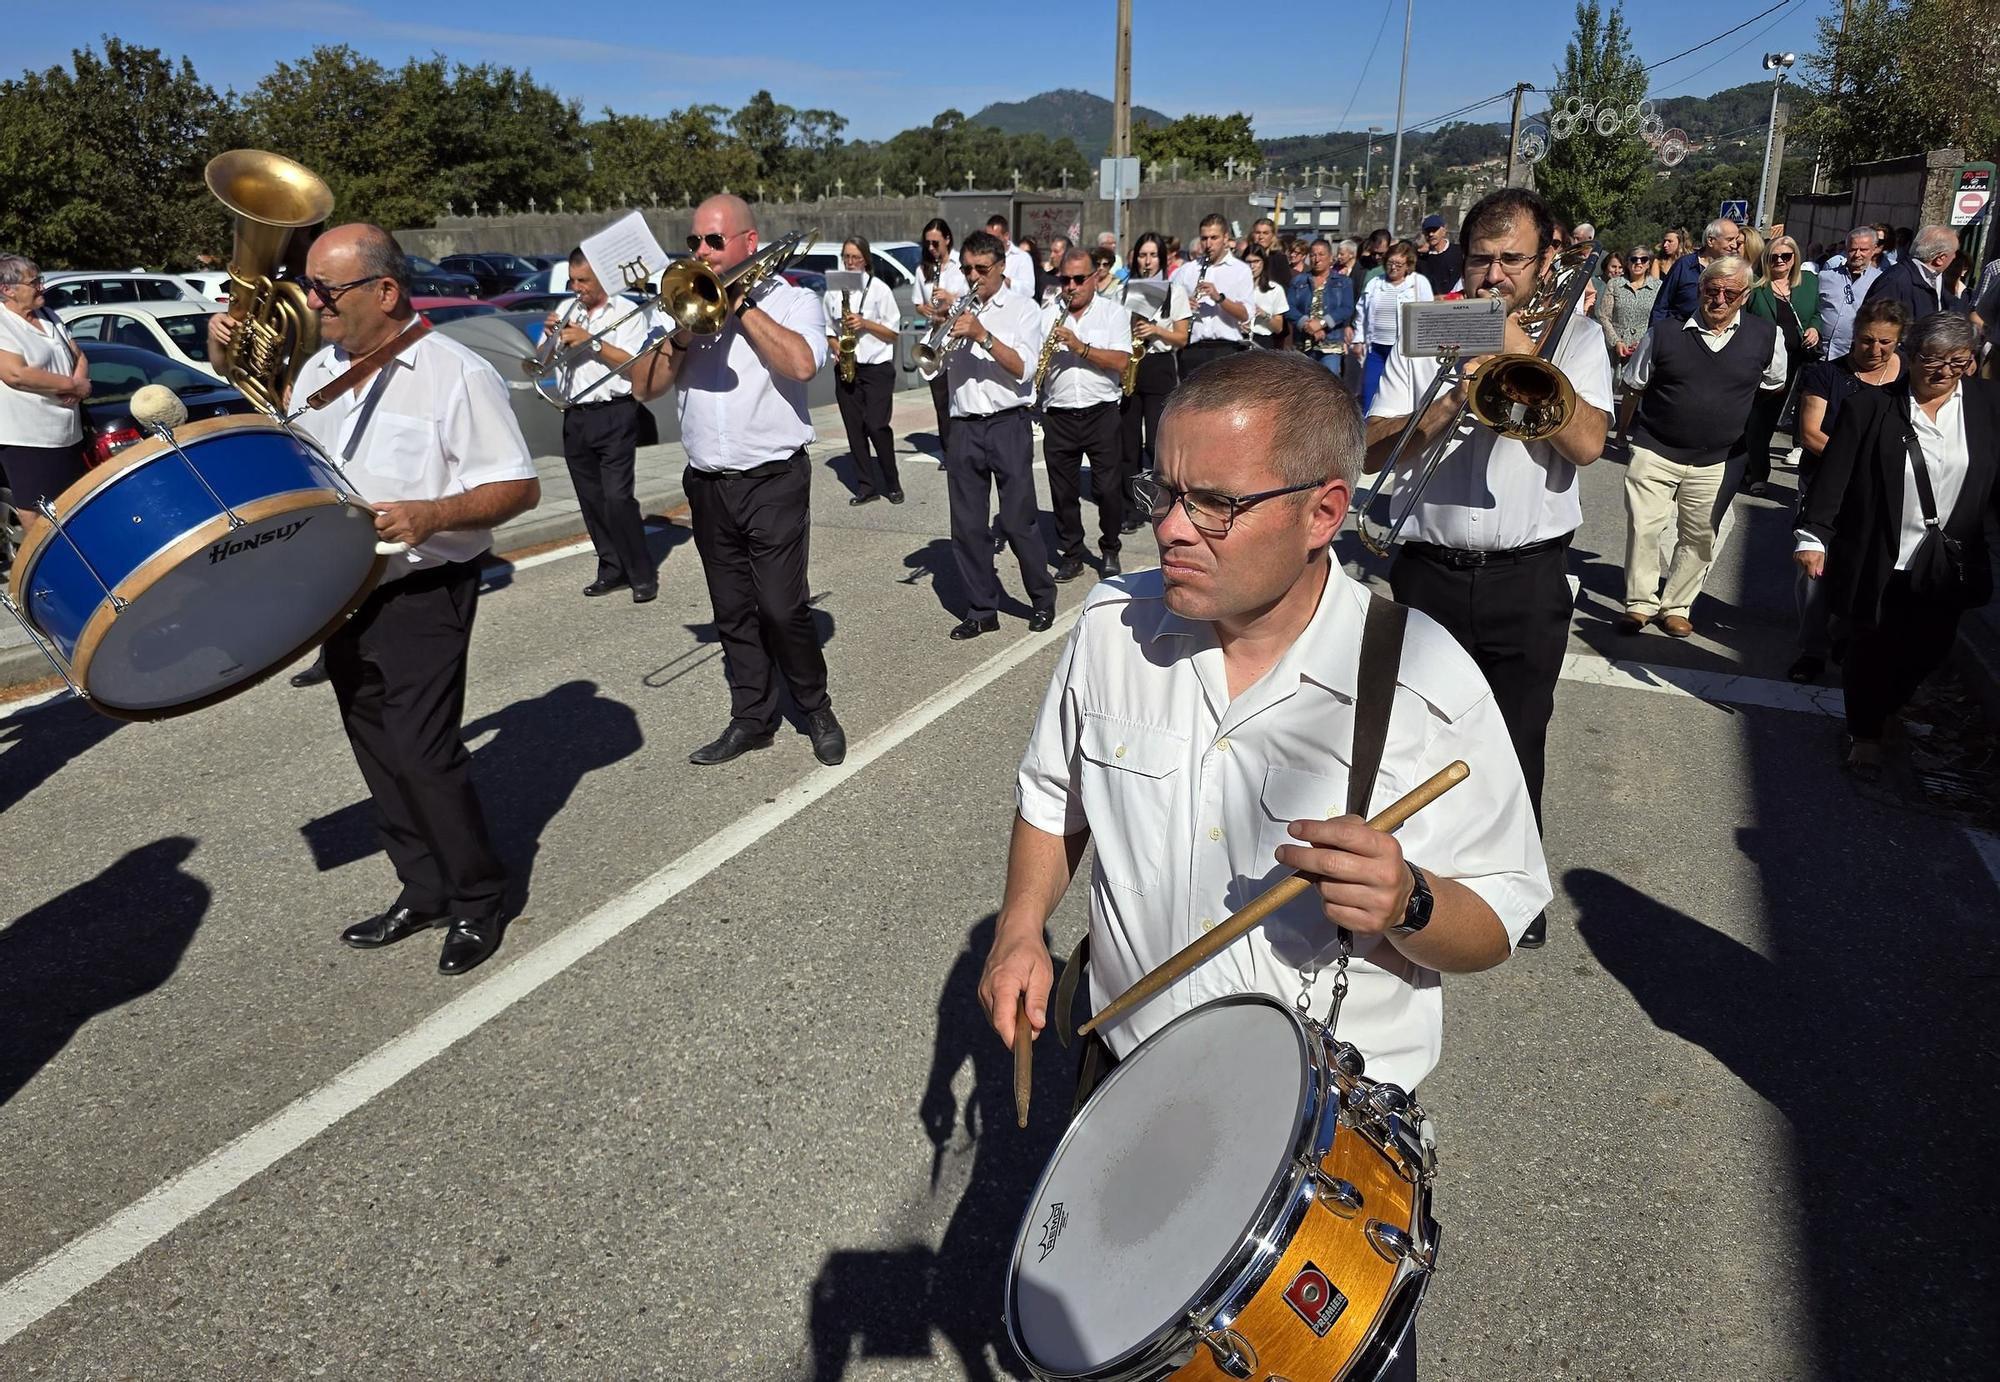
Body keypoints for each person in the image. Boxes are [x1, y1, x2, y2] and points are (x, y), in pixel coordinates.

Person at [980, 351, 1547, 1231]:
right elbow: (1053, 802)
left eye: (1214, 503)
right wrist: (1021, 931)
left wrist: (1409, 900)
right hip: (1132, 1087)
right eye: (1162, 492)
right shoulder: (1111, 632)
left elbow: (1497, 924)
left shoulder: (1423, 678)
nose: (1170, 527)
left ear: (1324, 511)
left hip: (1325, 1144)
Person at [209, 225, 541, 976]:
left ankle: (479, 898)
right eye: (312, 286)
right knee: (377, 751)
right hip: (340, 592)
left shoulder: (453, 372)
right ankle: (421, 889)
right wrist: (226, 347)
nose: (311, 301)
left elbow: (518, 486)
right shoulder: (323, 364)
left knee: (423, 754)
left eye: (327, 289)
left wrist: (431, 514)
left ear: (385, 292)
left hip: (423, 586)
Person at [1364, 188, 1611, 952]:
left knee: (1518, 737)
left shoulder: (1575, 338)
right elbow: (1372, 447)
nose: (1494, 273)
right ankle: (1416, 881)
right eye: (1482, 258)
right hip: (1428, 567)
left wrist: (1520, 358)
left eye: (1512, 259)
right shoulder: (1427, 327)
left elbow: (1590, 445)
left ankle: (1513, 892)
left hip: (1527, 573)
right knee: (1411, 734)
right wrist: (1446, 400)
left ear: (1543, 264)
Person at [630, 194, 845, 768]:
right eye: (695, 242)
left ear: (749, 244)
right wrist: (679, 331)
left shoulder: (795, 300)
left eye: (713, 242)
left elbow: (802, 364)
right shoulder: (678, 301)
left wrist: (741, 305)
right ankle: (752, 718)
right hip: (707, 481)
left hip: (773, 477)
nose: (701, 252)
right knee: (732, 610)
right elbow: (643, 388)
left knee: (781, 607)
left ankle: (815, 705)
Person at [1796, 312, 1999, 779]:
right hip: (1879, 551)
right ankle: (1865, 733)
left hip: (1949, 558)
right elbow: (1836, 477)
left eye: (1957, 362)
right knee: (1871, 643)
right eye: (1932, 359)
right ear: (1911, 355)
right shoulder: (1871, 407)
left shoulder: (1989, 407)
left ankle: (1889, 704)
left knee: (1931, 647)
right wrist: (1815, 536)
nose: (1943, 371)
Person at [1617, 255, 1786, 638]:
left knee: (1699, 535)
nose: (1720, 299)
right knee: (1644, 527)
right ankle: (1640, 603)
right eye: (1713, 290)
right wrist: (1624, 429)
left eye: (1730, 292)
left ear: (1744, 296)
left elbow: (1774, 383)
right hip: (1656, 448)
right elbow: (1635, 381)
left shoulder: (1766, 336)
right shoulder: (1663, 332)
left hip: (1718, 458)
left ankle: (1676, 606)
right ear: (1700, 290)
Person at [938, 229, 1055, 640]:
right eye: (967, 268)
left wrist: (982, 335)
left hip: (1007, 423)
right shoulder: (958, 309)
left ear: (1001, 267)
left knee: (1018, 520)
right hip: (965, 425)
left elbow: (1023, 367)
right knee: (967, 526)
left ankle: (1041, 598)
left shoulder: (1023, 309)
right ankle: (982, 608)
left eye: (981, 269)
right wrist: (942, 329)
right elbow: (928, 367)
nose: (974, 277)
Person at [1787, 299, 1907, 683]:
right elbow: (1810, 433)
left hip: (1883, 491)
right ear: (1853, 337)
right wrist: (1857, 463)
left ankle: (1845, 633)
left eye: (1886, 342)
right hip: (1826, 483)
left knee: (1865, 567)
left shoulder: (1907, 381)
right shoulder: (1826, 375)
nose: (1875, 350)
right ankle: (1812, 649)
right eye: (1867, 341)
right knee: (1814, 569)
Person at [544, 248, 659, 602]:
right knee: (591, 500)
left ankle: (642, 574)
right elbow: (543, 361)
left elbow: (634, 364)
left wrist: (592, 343)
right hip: (575, 415)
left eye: (584, 281)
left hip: (615, 412)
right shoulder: (567, 311)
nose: (578, 288)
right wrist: (551, 338)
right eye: (573, 281)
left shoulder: (626, 312)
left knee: (617, 498)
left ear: (603, 279)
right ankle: (611, 568)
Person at [1038, 248, 1133, 584]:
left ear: (1094, 277)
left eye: (1079, 279)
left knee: (1107, 487)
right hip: (1059, 413)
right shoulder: (1047, 314)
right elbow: (1033, 364)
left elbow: (1122, 362)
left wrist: (1080, 348)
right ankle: (1072, 553)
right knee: (1061, 490)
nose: (1071, 286)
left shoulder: (1113, 314)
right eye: (1065, 280)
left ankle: (1109, 548)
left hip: (1101, 411)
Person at [0, 255, 89, 527]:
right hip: (28, 439)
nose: (42, 287)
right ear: (8, 290)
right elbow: (15, 374)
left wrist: (81, 381)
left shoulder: (49, 316)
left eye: (40, 280)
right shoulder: (3, 323)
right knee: (38, 514)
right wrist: (71, 385)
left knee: (73, 507)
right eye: (34, 282)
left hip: (68, 434)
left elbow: (79, 355)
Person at [824, 235, 904, 505]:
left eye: (855, 257)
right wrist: (836, 346)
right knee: (854, 429)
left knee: (877, 425)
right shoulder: (834, 290)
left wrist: (865, 323)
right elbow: (827, 330)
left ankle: (892, 483)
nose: (850, 262)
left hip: (877, 367)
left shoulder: (880, 289)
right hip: (848, 366)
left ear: (866, 259)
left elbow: (893, 333)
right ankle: (866, 486)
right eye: (846, 257)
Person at [1741, 234, 1823, 496]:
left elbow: (1817, 313)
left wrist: (1814, 328)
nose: (1779, 261)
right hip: (1761, 361)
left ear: (1794, 259)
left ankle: (1749, 467)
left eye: (1785, 256)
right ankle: (1758, 472)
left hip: (1795, 362)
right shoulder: (1756, 286)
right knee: (1756, 418)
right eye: (1774, 257)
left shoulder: (1808, 282)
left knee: (1770, 418)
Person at [1118, 232, 1191, 515]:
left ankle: (1165, 495)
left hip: (1159, 363)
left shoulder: (1175, 291)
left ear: (1162, 258)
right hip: (1132, 364)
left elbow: (1182, 338)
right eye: (1142, 255)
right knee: (1128, 440)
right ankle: (1129, 505)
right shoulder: (1124, 289)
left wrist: (1156, 330)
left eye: (1152, 255)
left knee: (1156, 441)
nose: (1147, 262)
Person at [1168, 213, 1256, 380]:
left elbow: (1246, 314)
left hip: (1227, 348)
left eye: (1214, 238)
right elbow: (1169, 307)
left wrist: (1219, 298)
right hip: (1193, 348)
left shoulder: (1240, 270)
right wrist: (1183, 306)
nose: (1208, 244)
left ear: (1225, 238)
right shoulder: (1188, 270)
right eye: (1204, 238)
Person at [1352, 239, 1433, 411]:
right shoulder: (1375, 283)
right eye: (1390, 262)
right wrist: (1358, 339)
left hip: (1404, 351)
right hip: (1376, 348)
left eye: (1399, 263)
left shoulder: (1419, 283)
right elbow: (1361, 312)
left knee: (1400, 395)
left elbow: (1428, 314)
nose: (1393, 267)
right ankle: (1368, 431)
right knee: (1369, 392)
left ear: (1408, 265)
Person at [1594, 244, 1659, 449]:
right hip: (1615, 343)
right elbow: (1603, 314)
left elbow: (1658, 317)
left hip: (1642, 346)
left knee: (1632, 393)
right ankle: (1598, 430)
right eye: (1633, 259)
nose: (1638, 263)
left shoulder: (1658, 287)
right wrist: (1616, 342)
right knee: (1605, 389)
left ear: (1648, 263)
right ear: (1627, 263)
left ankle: (1622, 431)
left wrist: (1643, 342)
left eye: (1643, 260)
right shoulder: (1615, 284)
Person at [915, 218, 969, 459]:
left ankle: (962, 447)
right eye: (927, 243)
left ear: (947, 239)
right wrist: (924, 309)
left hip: (957, 335)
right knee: (940, 399)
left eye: (935, 243)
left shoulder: (962, 266)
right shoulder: (922, 269)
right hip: (935, 333)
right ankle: (948, 451)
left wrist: (950, 298)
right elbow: (918, 302)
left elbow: (972, 299)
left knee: (958, 395)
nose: (931, 248)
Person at [1863, 225, 1967, 322]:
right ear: (1940, 258)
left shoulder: (1939, 278)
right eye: (1954, 253)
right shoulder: (1895, 281)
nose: (1954, 257)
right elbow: (1874, 325)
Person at [1652, 218, 1742, 326]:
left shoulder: (1734, 270)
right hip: (1679, 335)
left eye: (1736, 240)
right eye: (1729, 239)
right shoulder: (1684, 266)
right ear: (1710, 241)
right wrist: (1655, 337)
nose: (1734, 245)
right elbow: (1662, 305)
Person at [1288, 237, 1355, 375]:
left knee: (1328, 386)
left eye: (1321, 254)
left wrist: (1322, 323)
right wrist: (1307, 325)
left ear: (1330, 257)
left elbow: (1346, 309)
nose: (1316, 259)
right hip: (1303, 344)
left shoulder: (1343, 282)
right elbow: (1289, 308)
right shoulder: (1298, 281)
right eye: (1313, 255)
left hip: (1330, 344)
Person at [1817, 227, 1884, 362]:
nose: (1857, 254)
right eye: (1853, 249)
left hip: (1852, 358)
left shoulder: (1880, 282)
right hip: (1818, 354)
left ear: (1874, 249)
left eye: (1863, 250)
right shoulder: (1825, 277)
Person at [1244, 245, 1291, 350]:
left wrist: (1263, 314)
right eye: (1248, 262)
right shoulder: (1235, 288)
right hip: (1239, 341)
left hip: (1263, 342)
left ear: (1263, 263)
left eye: (1256, 261)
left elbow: (1279, 328)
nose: (1252, 266)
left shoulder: (1275, 290)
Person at [986, 214, 1037, 304]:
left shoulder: (1022, 257)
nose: (991, 242)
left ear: (1006, 236)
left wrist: (1008, 282)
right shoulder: (984, 256)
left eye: (995, 238)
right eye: (988, 238)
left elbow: (1029, 291)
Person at [1415, 213, 1463, 296]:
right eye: (1427, 231)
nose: (1431, 234)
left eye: (1434, 230)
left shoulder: (1459, 252)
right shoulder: (1421, 261)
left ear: (1444, 231)